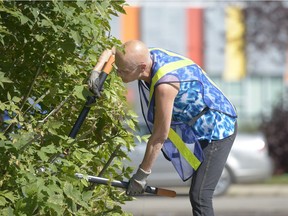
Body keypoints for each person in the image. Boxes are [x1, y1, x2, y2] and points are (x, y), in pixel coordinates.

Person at [89, 40, 237, 216]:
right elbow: (113, 49)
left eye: (123, 71)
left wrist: (141, 175)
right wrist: (96, 71)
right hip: (199, 122)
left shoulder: (165, 85)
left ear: (141, 66)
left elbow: (160, 136)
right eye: (117, 68)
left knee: (200, 195)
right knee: (198, 194)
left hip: (218, 128)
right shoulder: (144, 55)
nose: (119, 73)